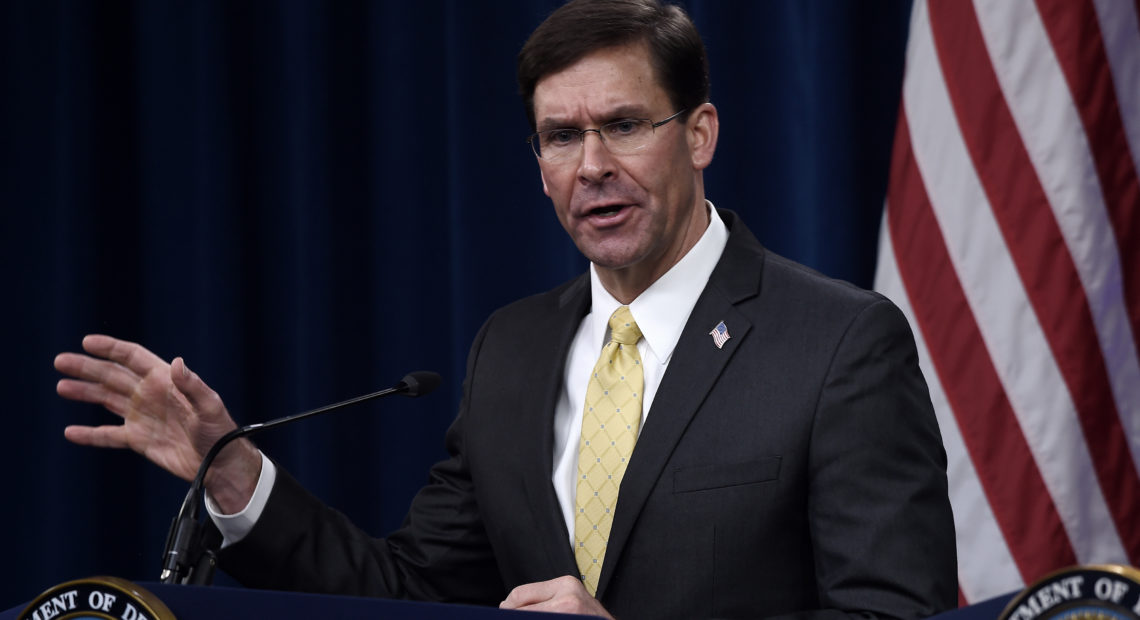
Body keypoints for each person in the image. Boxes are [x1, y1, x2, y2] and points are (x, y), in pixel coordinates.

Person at [54, 0, 957, 617]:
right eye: (561, 137)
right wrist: (235, 477)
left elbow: (891, 613)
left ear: (700, 134)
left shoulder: (838, 343)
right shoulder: (515, 350)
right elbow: (413, 596)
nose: (592, 165)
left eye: (624, 125)